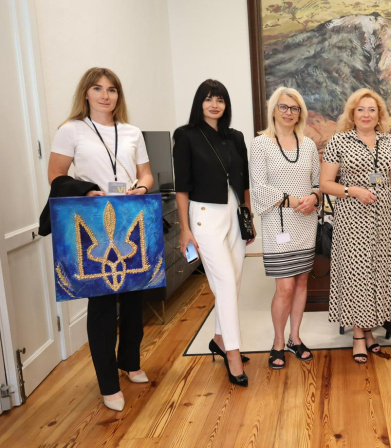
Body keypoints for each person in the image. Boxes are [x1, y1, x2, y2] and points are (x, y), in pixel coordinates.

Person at [47, 67, 154, 411]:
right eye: (98, 88)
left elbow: (147, 174)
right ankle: (108, 383)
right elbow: (56, 176)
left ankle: (130, 362)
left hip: (129, 217)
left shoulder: (132, 131)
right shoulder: (71, 130)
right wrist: (88, 190)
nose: (105, 95)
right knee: (103, 303)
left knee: (135, 298)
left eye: (112, 89)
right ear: (86, 94)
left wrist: (142, 186)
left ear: (118, 96)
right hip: (91, 219)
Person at [173, 79, 254, 387]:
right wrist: (184, 229)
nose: (214, 104)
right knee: (225, 285)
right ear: (200, 103)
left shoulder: (235, 137)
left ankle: (220, 339)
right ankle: (233, 353)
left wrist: (247, 216)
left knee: (231, 282)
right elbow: (182, 187)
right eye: (208, 99)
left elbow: (243, 179)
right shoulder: (186, 136)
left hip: (235, 214)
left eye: (219, 99)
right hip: (204, 216)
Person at [319, 88, 391, 364]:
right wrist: (353, 190)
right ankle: (357, 334)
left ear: (379, 115)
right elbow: (326, 184)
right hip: (353, 219)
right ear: (352, 114)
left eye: (372, 110)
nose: (366, 114)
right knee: (356, 275)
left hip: (383, 219)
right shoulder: (339, 141)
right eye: (360, 109)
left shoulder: (389, 142)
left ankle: (369, 331)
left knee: (377, 274)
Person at [248, 87, 320, 369]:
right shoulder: (261, 143)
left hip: (305, 223)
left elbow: (317, 183)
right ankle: (278, 342)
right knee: (285, 287)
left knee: (302, 282)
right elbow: (259, 187)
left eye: (295, 108)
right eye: (284, 107)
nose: (289, 113)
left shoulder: (309, 144)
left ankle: (295, 337)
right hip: (278, 225)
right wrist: (293, 201)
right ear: (274, 109)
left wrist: (314, 198)